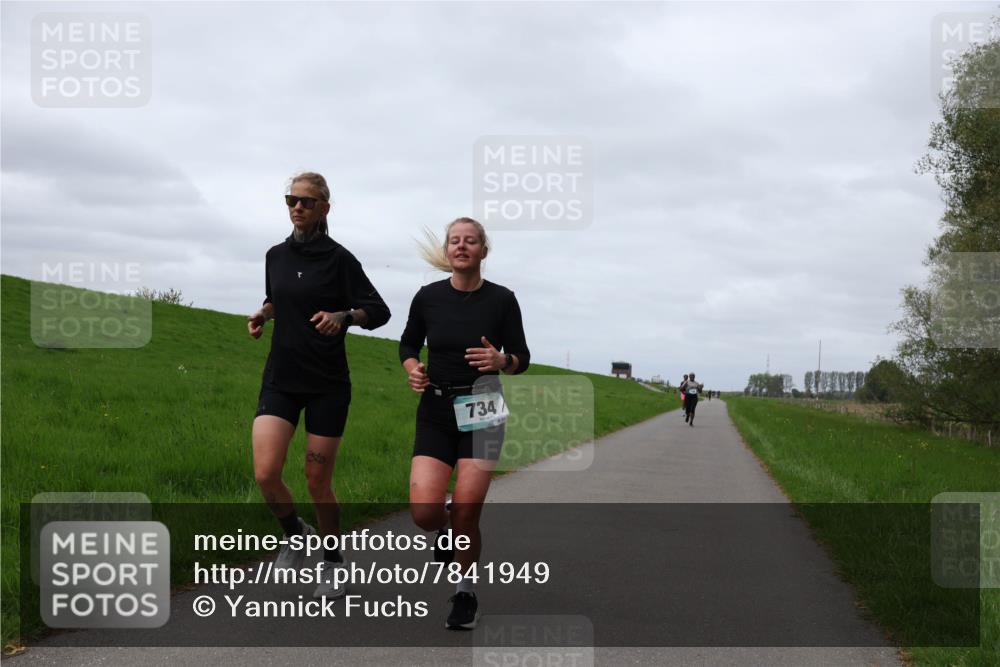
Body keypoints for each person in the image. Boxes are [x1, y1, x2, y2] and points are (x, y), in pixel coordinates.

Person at [247, 171, 390, 599]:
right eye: (291, 199)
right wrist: (263, 315)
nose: (297, 207)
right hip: (281, 379)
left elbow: (377, 310)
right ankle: (295, 531)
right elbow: (279, 297)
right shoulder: (275, 255)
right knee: (266, 473)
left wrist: (343, 316)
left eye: (307, 201)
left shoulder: (340, 259)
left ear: (325, 208)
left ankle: (332, 559)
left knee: (316, 482)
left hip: (327, 384)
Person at [399, 217, 530, 630]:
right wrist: (412, 368)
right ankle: (443, 528)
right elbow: (407, 343)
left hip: (484, 407)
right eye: (454, 241)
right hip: (436, 409)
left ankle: (464, 593)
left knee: (468, 511)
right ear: (447, 250)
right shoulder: (427, 298)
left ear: (483, 251)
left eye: (470, 241)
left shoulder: (502, 300)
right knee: (424, 512)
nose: (461, 247)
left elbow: (521, 357)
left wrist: (501, 361)